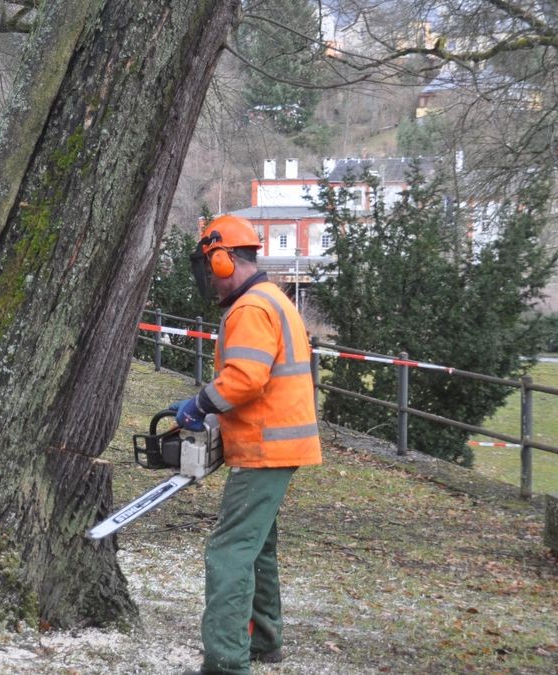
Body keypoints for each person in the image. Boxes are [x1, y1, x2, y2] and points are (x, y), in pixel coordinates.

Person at [170, 214, 322, 674]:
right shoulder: (271, 299)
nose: (209, 284)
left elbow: (244, 379)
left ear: (224, 260)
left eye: (208, 269)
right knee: (258, 546)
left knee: (229, 551)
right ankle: (265, 640)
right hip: (277, 444)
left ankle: (226, 661)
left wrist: (199, 403)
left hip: (265, 448)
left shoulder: (251, 309)